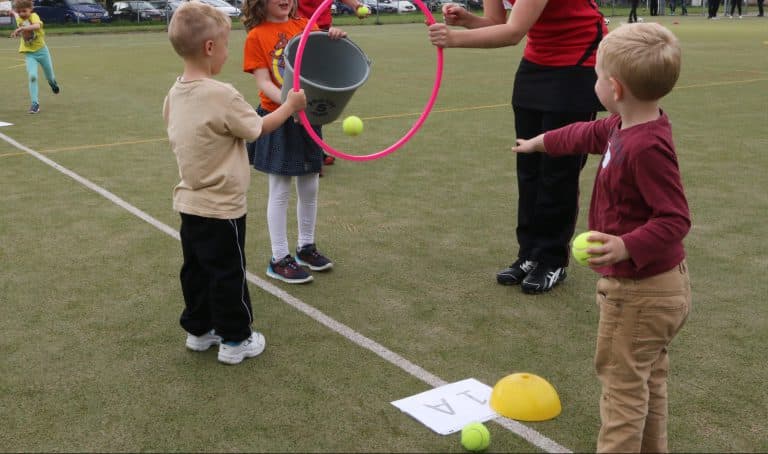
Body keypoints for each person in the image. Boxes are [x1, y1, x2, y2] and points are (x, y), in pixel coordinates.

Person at [511, 23, 691, 452]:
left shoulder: (646, 146)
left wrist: (627, 245)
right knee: (648, 381)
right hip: (655, 290)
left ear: (614, 87)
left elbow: (675, 218)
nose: (593, 83)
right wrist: (539, 142)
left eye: (595, 76)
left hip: (641, 292)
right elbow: (582, 134)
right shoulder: (622, 126)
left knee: (622, 394)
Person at [428, 0, 608, 294]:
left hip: (576, 64)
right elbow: (498, 23)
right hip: (536, 64)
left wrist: (454, 38)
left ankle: (552, 260)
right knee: (528, 167)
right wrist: (467, 20)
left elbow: (513, 33)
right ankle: (528, 254)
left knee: (558, 170)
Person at [164, 1, 307, 365]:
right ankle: (235, 339)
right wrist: (289, 106)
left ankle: (199, 331)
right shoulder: (222, 94)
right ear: (210, 48)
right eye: (226, 45)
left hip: (189, 204)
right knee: (228, 272)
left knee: (195, 270)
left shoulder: (174, 93)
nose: (228, 52)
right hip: (221, 206)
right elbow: (257, 128)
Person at [242, 0, 340, 284]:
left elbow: (322, 58)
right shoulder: (256, 36)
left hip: (305, 117)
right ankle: (279, 257)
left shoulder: (302, 26)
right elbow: (263, 81)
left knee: (310, 183)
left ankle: (305, 248)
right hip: (278, 118)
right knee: (280, 188)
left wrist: (334, 37)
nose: (285, 0)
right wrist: (288, 102)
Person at [297, 0, 367, 171]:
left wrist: (356, 6)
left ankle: (314, 154)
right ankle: (310, 157)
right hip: (299, 33)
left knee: (317, 97)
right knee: (306, 98)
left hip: (323, 34)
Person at [9, 0, 60, 114]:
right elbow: (17, 15)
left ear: (30, 9)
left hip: (42, 52)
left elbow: (37, 26)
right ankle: (35, 104)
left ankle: (53, 84)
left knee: (50, 77)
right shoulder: (19, 18)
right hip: (29, 53)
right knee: (32, 76)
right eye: (20, 11)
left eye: (24, 11)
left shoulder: (34, 16)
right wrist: (12, 12)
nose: (22, 13)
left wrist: (21, 29)